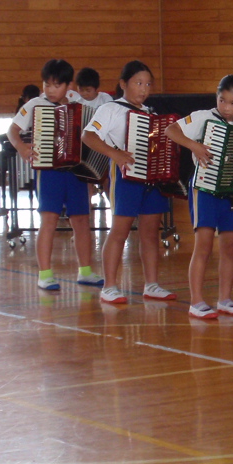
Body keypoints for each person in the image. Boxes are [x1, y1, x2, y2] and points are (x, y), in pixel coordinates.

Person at [81, 60, 177, 305]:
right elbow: (88, 135)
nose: (143, 89)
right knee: (120, 231)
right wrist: (115, 154)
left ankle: (151, 284)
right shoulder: (111, 109)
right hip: (126, 178)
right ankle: (109, 286)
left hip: (152, 180)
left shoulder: (150, 113)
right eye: (138, 83)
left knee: (150, 233)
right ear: (123, 84)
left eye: (148, 84)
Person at [7, 59, 102, 292]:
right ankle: (45, 274)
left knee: (81, 220)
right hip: (49, 172)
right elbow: (12, 130)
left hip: (76, 172)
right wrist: (21, 147)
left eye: (57, 85)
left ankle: (85, 271)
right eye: (47, 84)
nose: (50, 90)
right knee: (48, 219)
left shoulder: (78, 104)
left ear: (69, 86)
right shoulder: (35, 105)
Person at [166, 74, 233, 319]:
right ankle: (196, 301)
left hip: (229, 192)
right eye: (222, 100)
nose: (226, 107)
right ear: (216, 96)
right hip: (204, 189)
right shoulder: (203, 117)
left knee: (230, 246)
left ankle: (225, 299)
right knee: (203, 245)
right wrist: (193, 145)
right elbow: (171, 130)